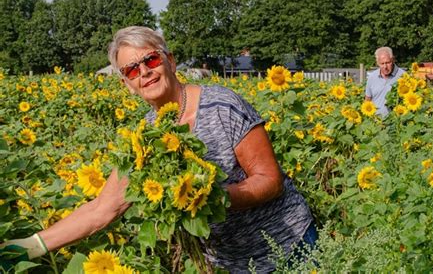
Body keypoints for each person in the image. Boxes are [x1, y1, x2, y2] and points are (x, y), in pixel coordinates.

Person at [0, 26, 316, 273]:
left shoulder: (221, 105)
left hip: (289, 248)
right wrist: (29, 246)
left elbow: (270, 180)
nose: (145, 72)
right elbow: (102, 210)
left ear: (170, 60)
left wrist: (210, 199)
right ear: (126, 83)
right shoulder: (144, 140)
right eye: (132, 70)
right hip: (230, 265)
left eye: (151, 60)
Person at [365, 46, 405, 116]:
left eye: (388, 63)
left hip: (396, 121)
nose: (385, 67)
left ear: (392, 60)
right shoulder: (372, 77)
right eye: (382, 63)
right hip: (375, 122)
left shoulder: (403, 76)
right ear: (377, 63)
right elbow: (368, 99)